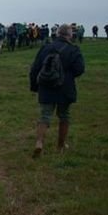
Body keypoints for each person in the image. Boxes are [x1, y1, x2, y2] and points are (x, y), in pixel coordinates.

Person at [29, 24, 85, 158]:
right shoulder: (73, 50)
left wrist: (34, 86)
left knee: (44, 116)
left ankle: (39, 142)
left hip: (46, 86)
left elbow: (35, 68)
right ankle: (60, 145)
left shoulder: (46, 48)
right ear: (70, 35)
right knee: (64, 116)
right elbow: (80, 69)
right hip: (65, 88)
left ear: (57, 33)